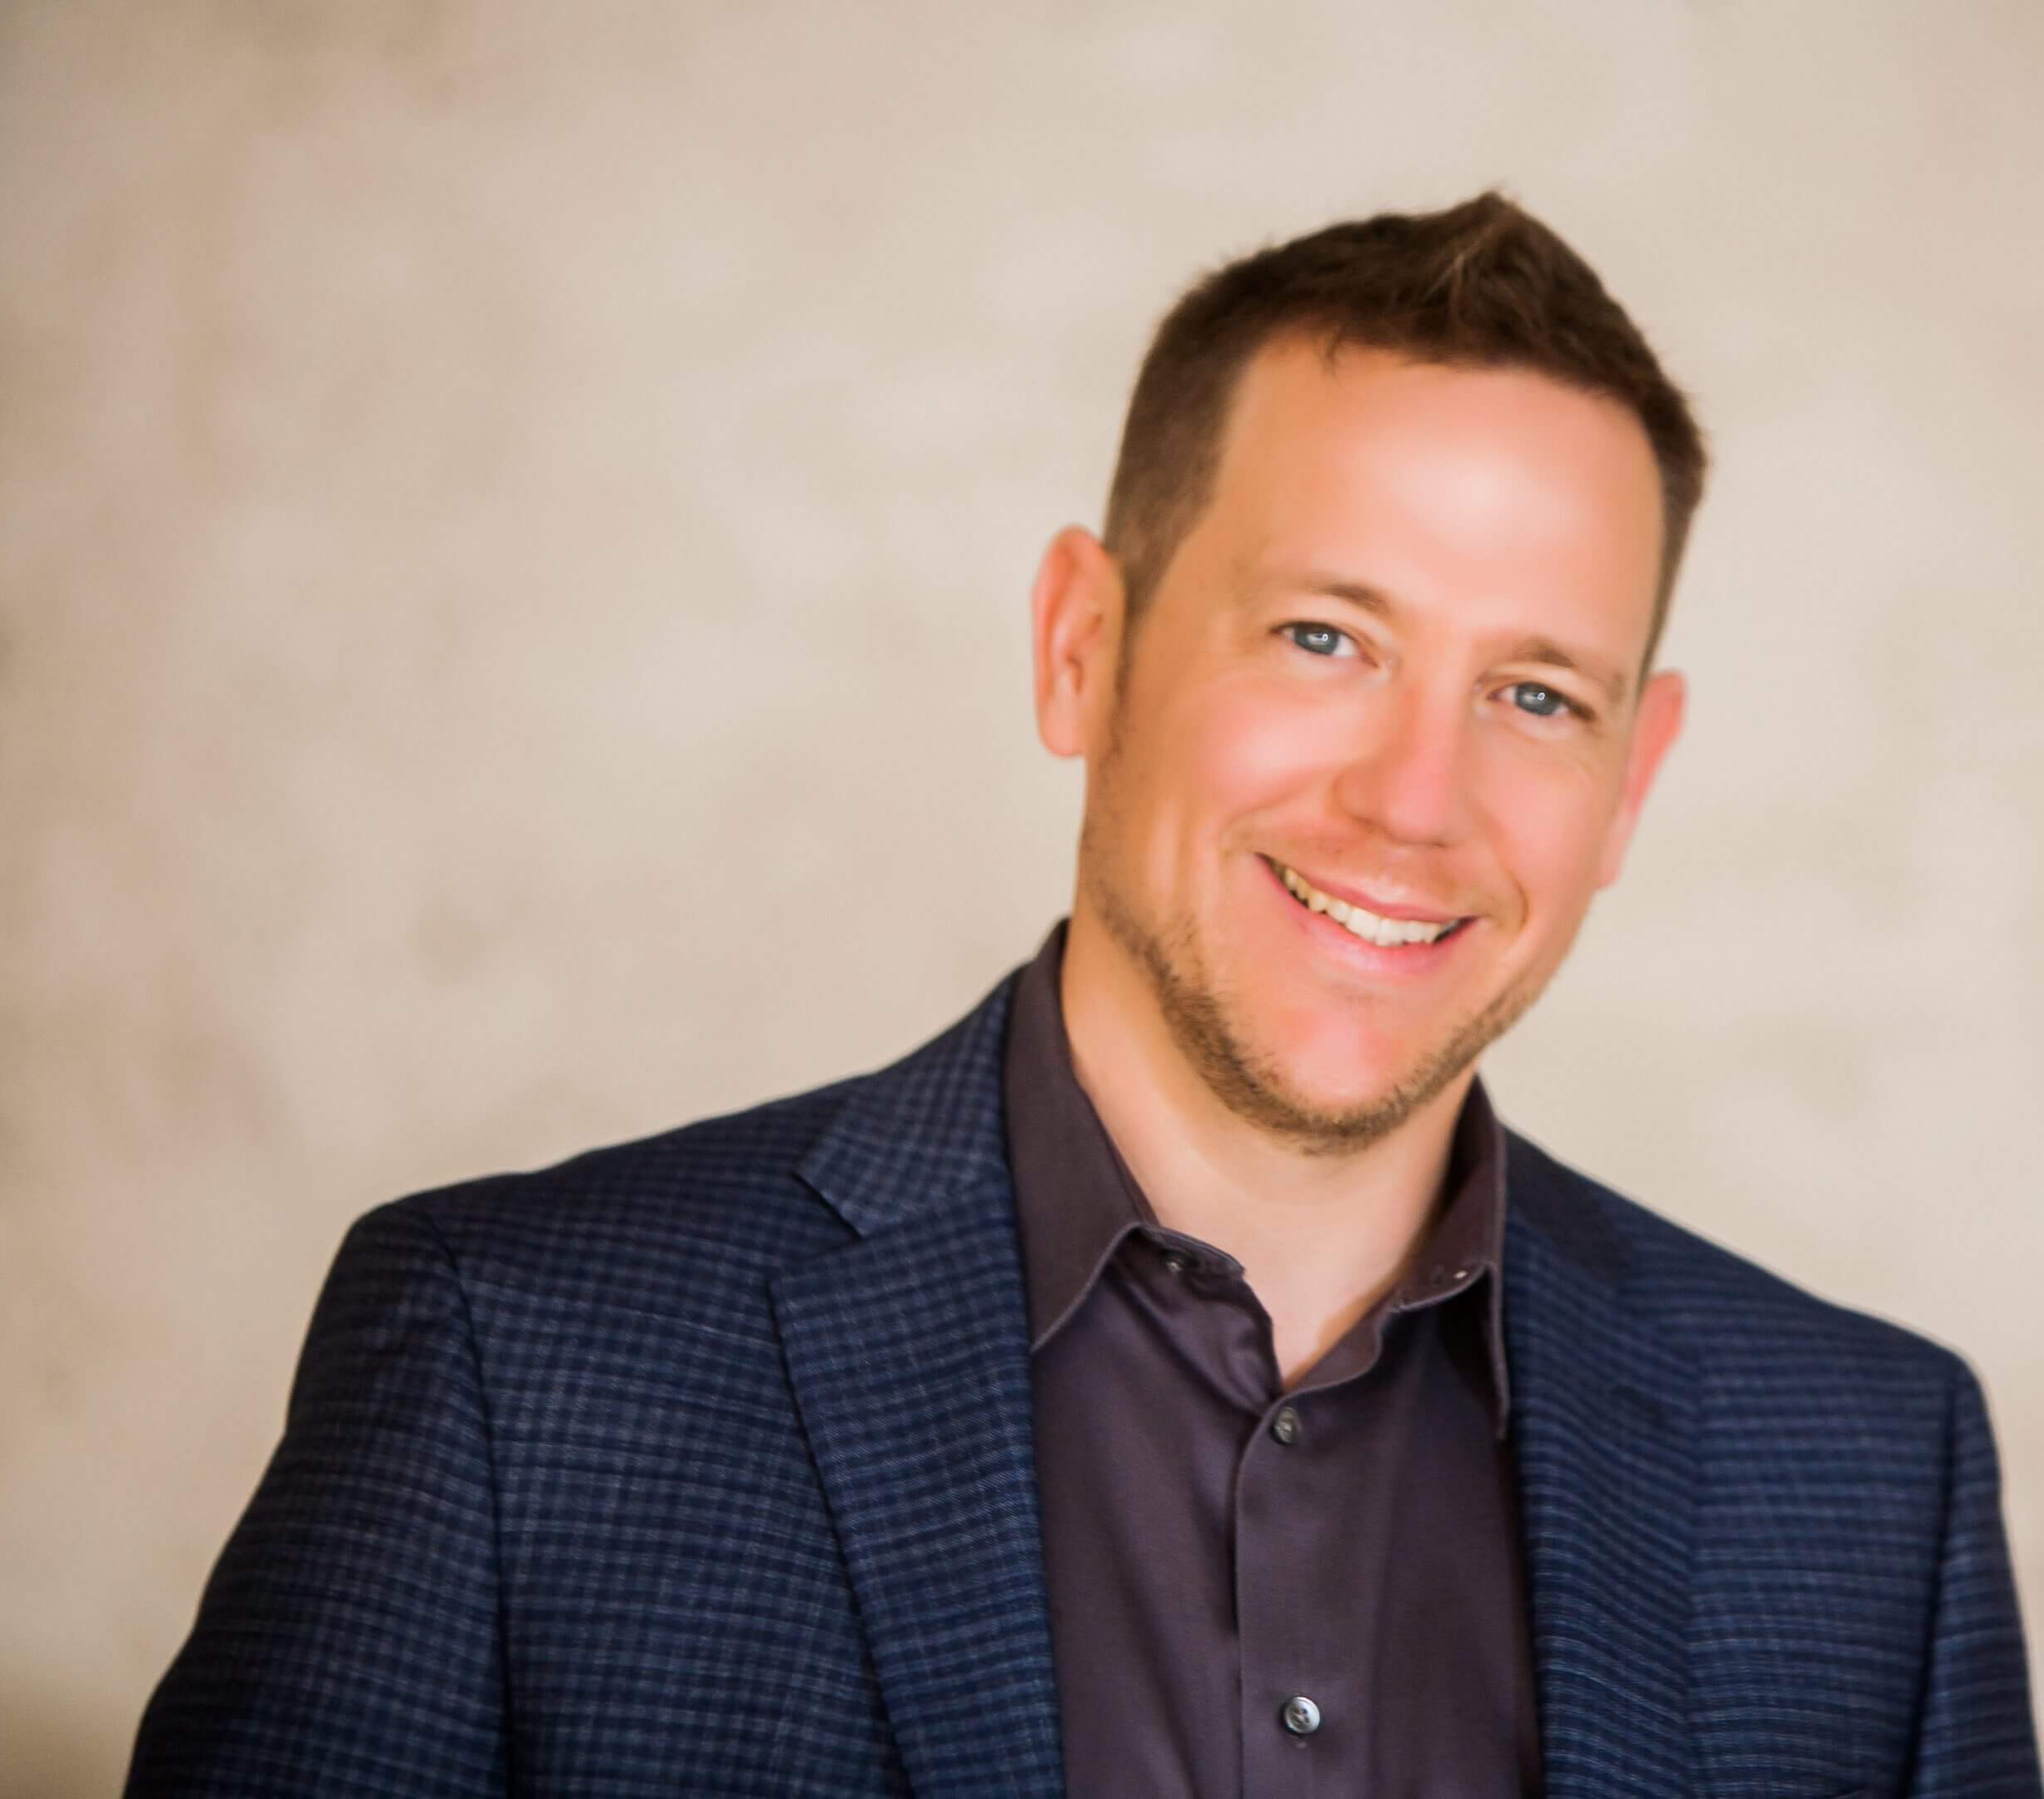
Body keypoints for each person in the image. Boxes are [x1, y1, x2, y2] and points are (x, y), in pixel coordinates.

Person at [127, 192, 2040, 1797]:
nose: (1412, 800)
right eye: (1322, 636)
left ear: (1633, 778)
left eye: (1534, 695)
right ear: (1080, 647)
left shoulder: (1872, 1485)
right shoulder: (512, 1369)